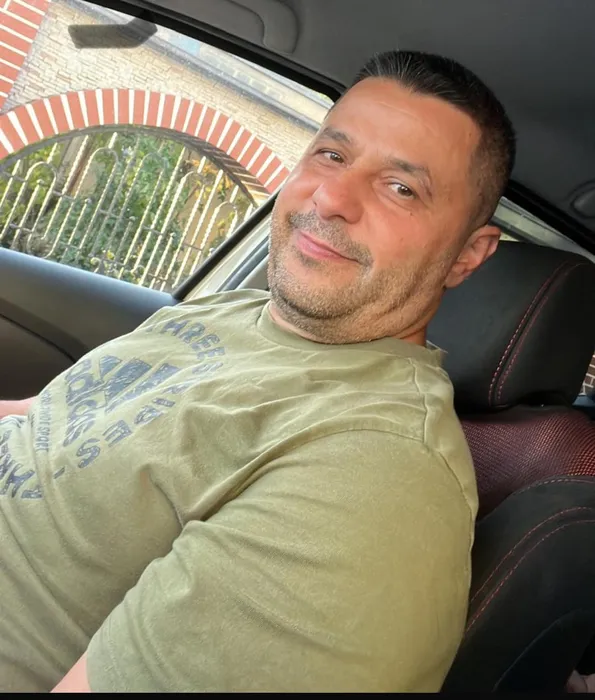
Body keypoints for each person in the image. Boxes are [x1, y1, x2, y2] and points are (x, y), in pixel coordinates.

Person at [0, 49, 515, 692]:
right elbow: (52, 422)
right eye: (331, 154)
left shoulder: (374, 476)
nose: (331, 197)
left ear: (468, 255)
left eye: (401, 188)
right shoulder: (235, 311)